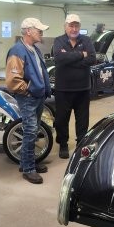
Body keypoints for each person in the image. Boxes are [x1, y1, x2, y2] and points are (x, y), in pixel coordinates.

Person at [6, 18, 51, 184]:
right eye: (38, 30)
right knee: (30, 131)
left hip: (37, 96)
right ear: (28, 31)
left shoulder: (34, 49)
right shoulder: (17, 50)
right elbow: (13, 80)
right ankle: (28, 169)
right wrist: (29, 91)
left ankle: (27, 162)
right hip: (28, 98)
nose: (41, 32)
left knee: (33, 130)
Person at [53, 13, 96, 159]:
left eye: (76, 26)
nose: (74, 29)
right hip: (63, 89)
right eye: (71, 26)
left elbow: (92, 59)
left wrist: (69, 59)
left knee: (83, 119)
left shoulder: (86, 40)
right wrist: (81, 55)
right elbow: (59, 58)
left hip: (82, 88)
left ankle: (81, 144)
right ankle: (63, 144)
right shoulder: (58, 40)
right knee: (61, 119)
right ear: (65, 27)